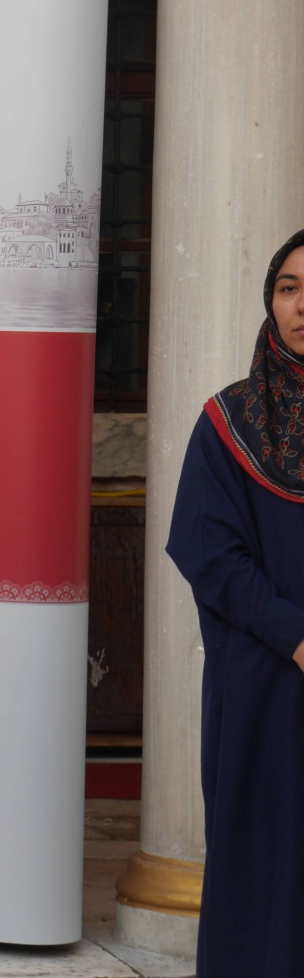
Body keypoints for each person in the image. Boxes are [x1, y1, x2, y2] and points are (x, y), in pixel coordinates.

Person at [166, 228, 304, 978]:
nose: (302, 305)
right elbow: (208, 551)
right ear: (269, 302)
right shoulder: (229, 422)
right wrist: (293, 635)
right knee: (263, 861)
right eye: (288, 288)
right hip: (262, 682)